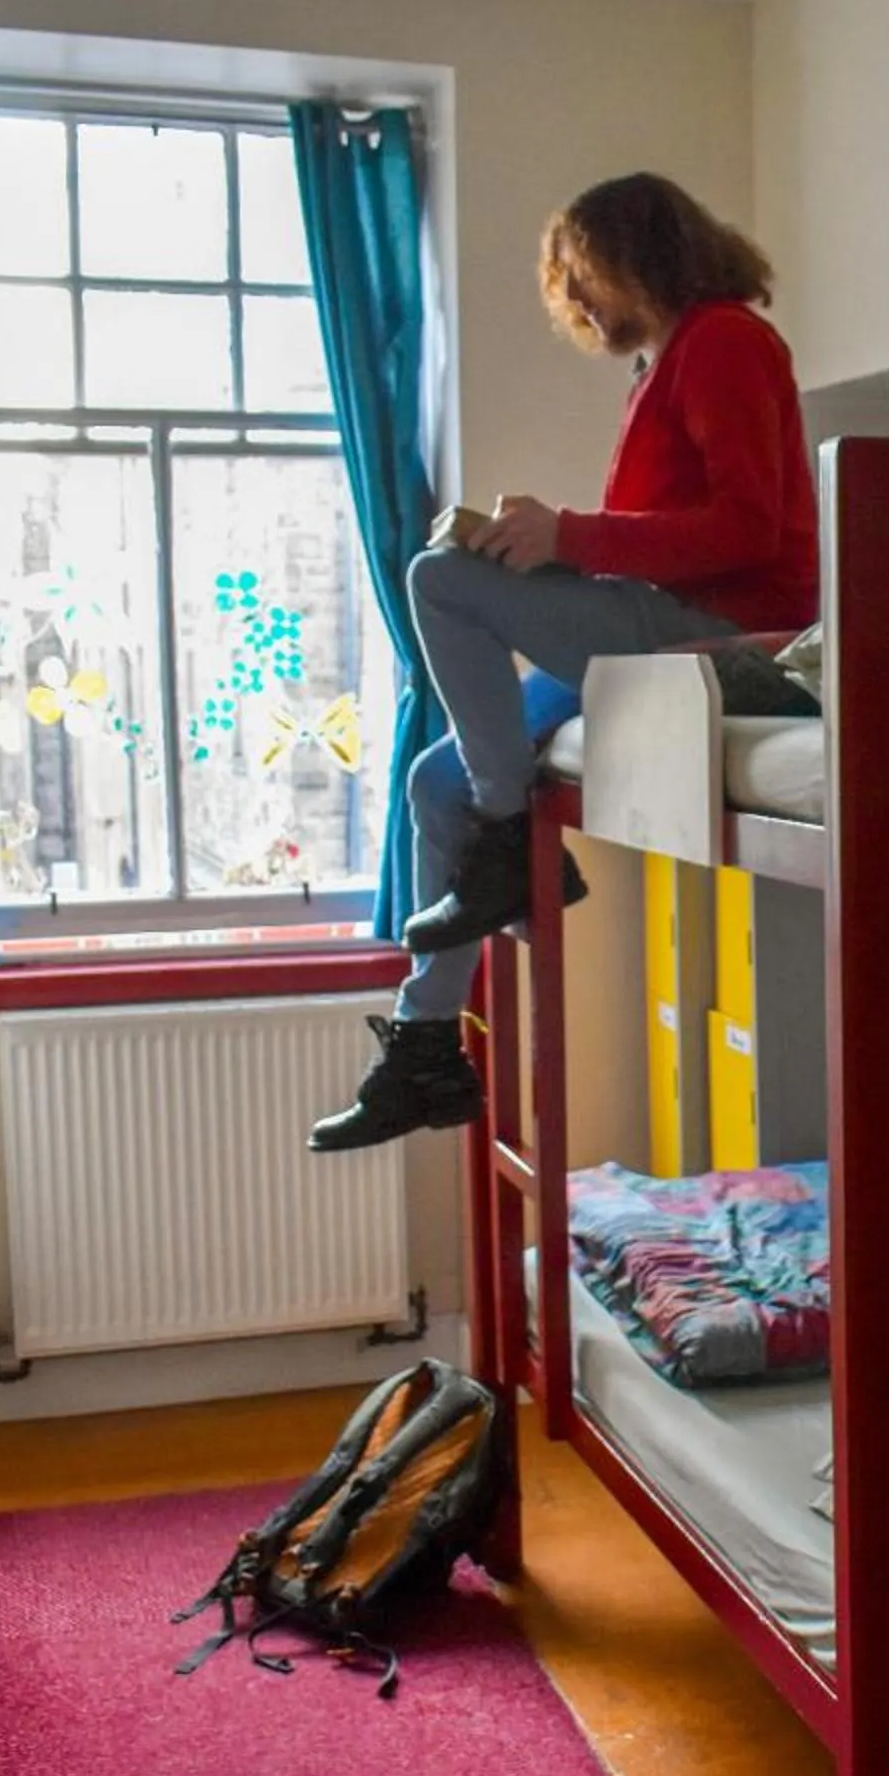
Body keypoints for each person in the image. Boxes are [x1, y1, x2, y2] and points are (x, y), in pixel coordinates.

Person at [309, 174, 819, 1152]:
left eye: (587, 279)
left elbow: (751, 528)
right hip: (652, 617)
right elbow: (659, 528)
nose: (580, 307)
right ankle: (423, 1044)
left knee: (438, 578)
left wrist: (567, 536)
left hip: (709, 628)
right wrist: (554, 541)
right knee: (437, 780)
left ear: (640, 256)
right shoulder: (662, 367)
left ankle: (506, 841)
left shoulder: (722, 340)